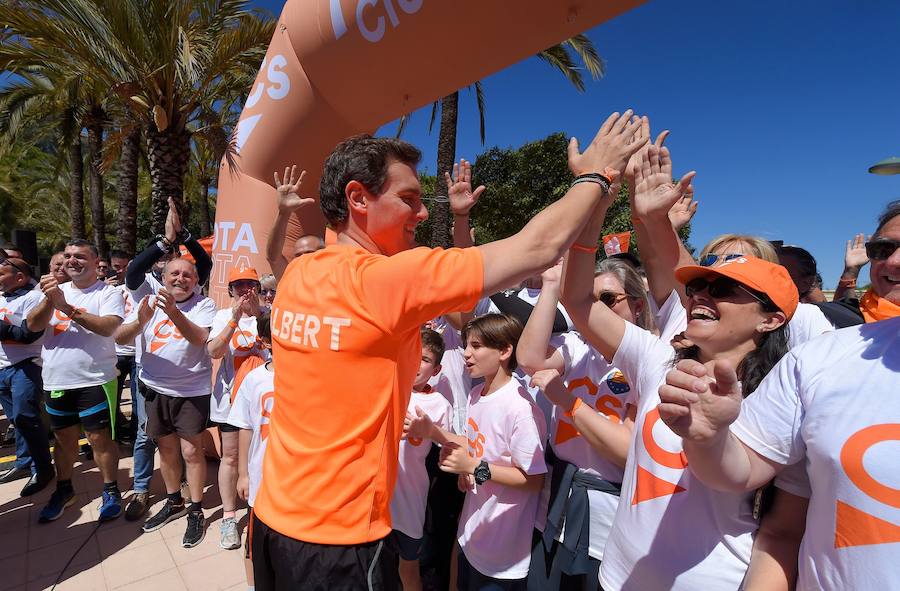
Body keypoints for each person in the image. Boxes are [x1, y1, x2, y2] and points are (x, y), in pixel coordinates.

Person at [250, 112, 648, 590]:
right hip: (340, 538)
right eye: (409, 199)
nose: (421, 214)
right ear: (358, 198)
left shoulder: (297, 276)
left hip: (271, 516)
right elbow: (536, 247)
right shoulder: (382, 279)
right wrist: (597, 175)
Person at [559, 140, 802, 590]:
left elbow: (779, 524)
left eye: (726, 288)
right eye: (701, 283)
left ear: (772, 318)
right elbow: (577, 300)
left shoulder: (786, 392)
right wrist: (595, 200)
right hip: (618, 576)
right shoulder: (658, 358)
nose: (703, 294)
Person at [656, 201, 900, 590]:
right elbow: (780, 527)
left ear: (773, 318)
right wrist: (709, 438)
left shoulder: (810, 329)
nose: (893, 263)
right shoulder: (823, 360)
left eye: (723, 286)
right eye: (882, 250)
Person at [518, 257, 654, 590]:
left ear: (637, 304)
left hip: (607, 523)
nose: (596, 310)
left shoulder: (651, 360)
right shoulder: (578, 347)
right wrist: (552, 284)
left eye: (608, 299)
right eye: (588, 300)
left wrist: (567, 400)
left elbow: (627, 450)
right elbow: (530, 360)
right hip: (554, 508)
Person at [406, 314, 547, 590]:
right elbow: (476, 446)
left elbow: (532, 480)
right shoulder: (476, 394)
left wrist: (473, 467)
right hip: (471, 533)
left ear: (505, 351)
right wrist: (432, 432)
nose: (466, 354)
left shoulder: (520, 409)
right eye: (466, 345)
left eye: (476, 346)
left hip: (502, 552)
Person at [116, 258, 217, 547]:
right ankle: (174, 501)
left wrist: (173, 313)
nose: (181, 279)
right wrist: (141, 320)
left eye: (188, 275)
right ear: (163, 276)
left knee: (191, 451)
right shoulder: (147, 301)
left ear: (195, 280)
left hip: (190, 391)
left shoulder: (203, 305)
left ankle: (195, 510)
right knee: (166, 447)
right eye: (175, 273)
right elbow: (120, 337)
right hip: (154, 389)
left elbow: (200, 339)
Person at [26, 239, 125, 523]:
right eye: (68, 256)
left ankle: (110, 489)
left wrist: (66, 307)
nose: (72, 261)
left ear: (95, 262)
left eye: (80, 256)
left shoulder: (108, 292)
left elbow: (108, 327)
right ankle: (64, 489)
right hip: (56, 380)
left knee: (99, 439)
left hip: (95, 380)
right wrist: (50, 300)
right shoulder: (50, 291)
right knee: (63, 440)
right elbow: (33, 325)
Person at [208, 266, 269, 550]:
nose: (245, 289)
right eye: (239, 284)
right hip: (231, 400)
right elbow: (214, 352)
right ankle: (229, 518)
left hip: (266, 401)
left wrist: (260, 314)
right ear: (230, 289)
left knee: (266, 454)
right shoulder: (222, 315)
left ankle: (262, 509)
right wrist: (234, 319)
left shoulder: (270, 313)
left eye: (251, 284)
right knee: (230, 457)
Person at [389, 328, 452, 591]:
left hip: (409, 500)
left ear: (436, 370)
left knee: (408, 570)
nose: (416, 362)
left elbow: (449, 445)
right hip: (374, 498)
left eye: (425, 359)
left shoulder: (439, 404)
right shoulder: (387, 386)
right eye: (412, 355)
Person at [228, 312, 275, 591]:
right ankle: (252, 585)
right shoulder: (255, 379)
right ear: (266, 342)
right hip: (260, 476)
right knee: (255, 538)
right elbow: (245, 428)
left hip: (294, 479)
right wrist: (243, 474)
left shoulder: (309, 376)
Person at [0, 255, 54, 495]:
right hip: (2, 369)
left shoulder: (34, 298)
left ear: (19, 276)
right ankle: (24, 463)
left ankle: (43, 468)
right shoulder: (1, 297)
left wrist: (5, 330)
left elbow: (28, 334)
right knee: (16, 421)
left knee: (27, 418)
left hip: (26, 366)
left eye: (1, 273)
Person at [125, 198, 213, 299]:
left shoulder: (187, 280)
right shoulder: (144, 283)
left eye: (169, 249)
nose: (163, 254)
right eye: (158, 252)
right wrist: (167, 240)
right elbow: (134, 270)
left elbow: (205, 263)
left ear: (177, 255)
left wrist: (182, 233)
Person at [265, 166, 326, 281]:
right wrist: (284, 212)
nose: (303, 259)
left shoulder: (334, 279)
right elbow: (273, 258)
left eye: (309, 253)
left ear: (324, 254)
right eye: (298, 255)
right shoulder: (292, 278)